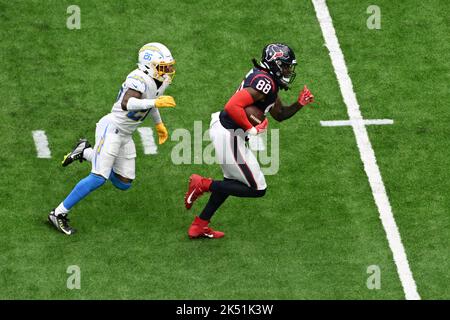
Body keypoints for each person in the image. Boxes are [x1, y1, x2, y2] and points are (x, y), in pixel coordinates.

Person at [184, 43, 315, 239]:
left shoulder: (268, 80)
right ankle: (202, 184)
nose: (289, 70)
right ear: (276, 64)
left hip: (228, 132)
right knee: (257, 188)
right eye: (286, 65)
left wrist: (299, 104)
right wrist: (251, 129)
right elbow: (232, 106)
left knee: (231, 181)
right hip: (229, 134)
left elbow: (279, 114)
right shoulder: (266, 82)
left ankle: (200, 225)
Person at [48, 43, 176, 235]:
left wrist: (159, 124)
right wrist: (154, 102)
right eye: (163, 67)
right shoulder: (138, 77)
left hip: (125, 134)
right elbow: (128, 103)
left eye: (168, 67)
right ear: (148, 65)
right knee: (99, 177)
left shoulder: (160, 81)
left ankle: (85, 151)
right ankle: (57, 213)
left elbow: (152, 102)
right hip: (111, 129)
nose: (167, 71)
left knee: (124, 182)